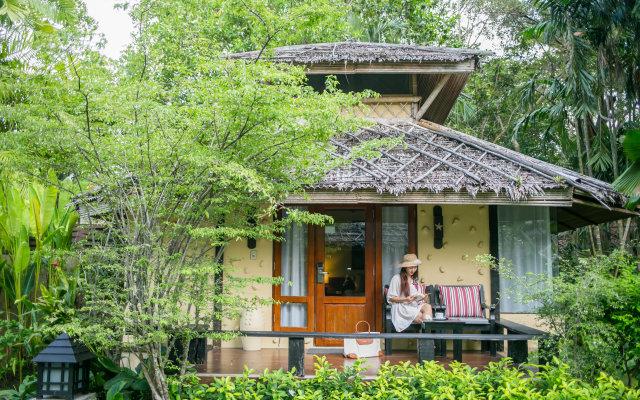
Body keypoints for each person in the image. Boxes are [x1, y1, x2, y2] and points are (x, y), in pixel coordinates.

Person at [387, 253, 433, 332]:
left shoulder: (414, 280)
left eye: (415, 267)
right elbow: (391, 298)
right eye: (410, 268)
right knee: (425, 318)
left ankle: (427, 342)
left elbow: (415, 297)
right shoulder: (396, 278)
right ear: (405, 267)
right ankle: (428, 342)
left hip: (413, 305)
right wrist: (405, 299)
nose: (413, 270)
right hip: (402, 307)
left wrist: (422, 298)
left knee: (428, 306)